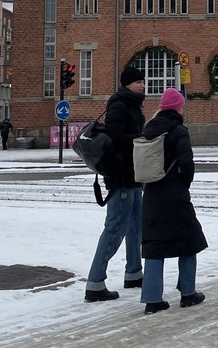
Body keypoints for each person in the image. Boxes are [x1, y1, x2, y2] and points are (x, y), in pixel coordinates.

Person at [139, 87, 208, 314]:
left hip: (151, 194)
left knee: (154, 245)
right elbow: (187, 164)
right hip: (174, 193)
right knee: (188, 240)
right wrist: (183, 183)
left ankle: (152, 299)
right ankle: (188, 293)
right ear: (178, 107)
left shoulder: (148, 128)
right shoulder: (179, 130)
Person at [85, 67, 147, 302]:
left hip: (133, 175)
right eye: (138, 81)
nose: (143, 84)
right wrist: (141, 139)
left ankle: (133, 273)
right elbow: (116, 137)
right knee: (115, 229)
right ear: (127, 84)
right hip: (121, 176)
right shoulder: (118, 105)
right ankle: (95, 282)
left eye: (143, 81)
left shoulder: (132, 105)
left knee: (135, 226)